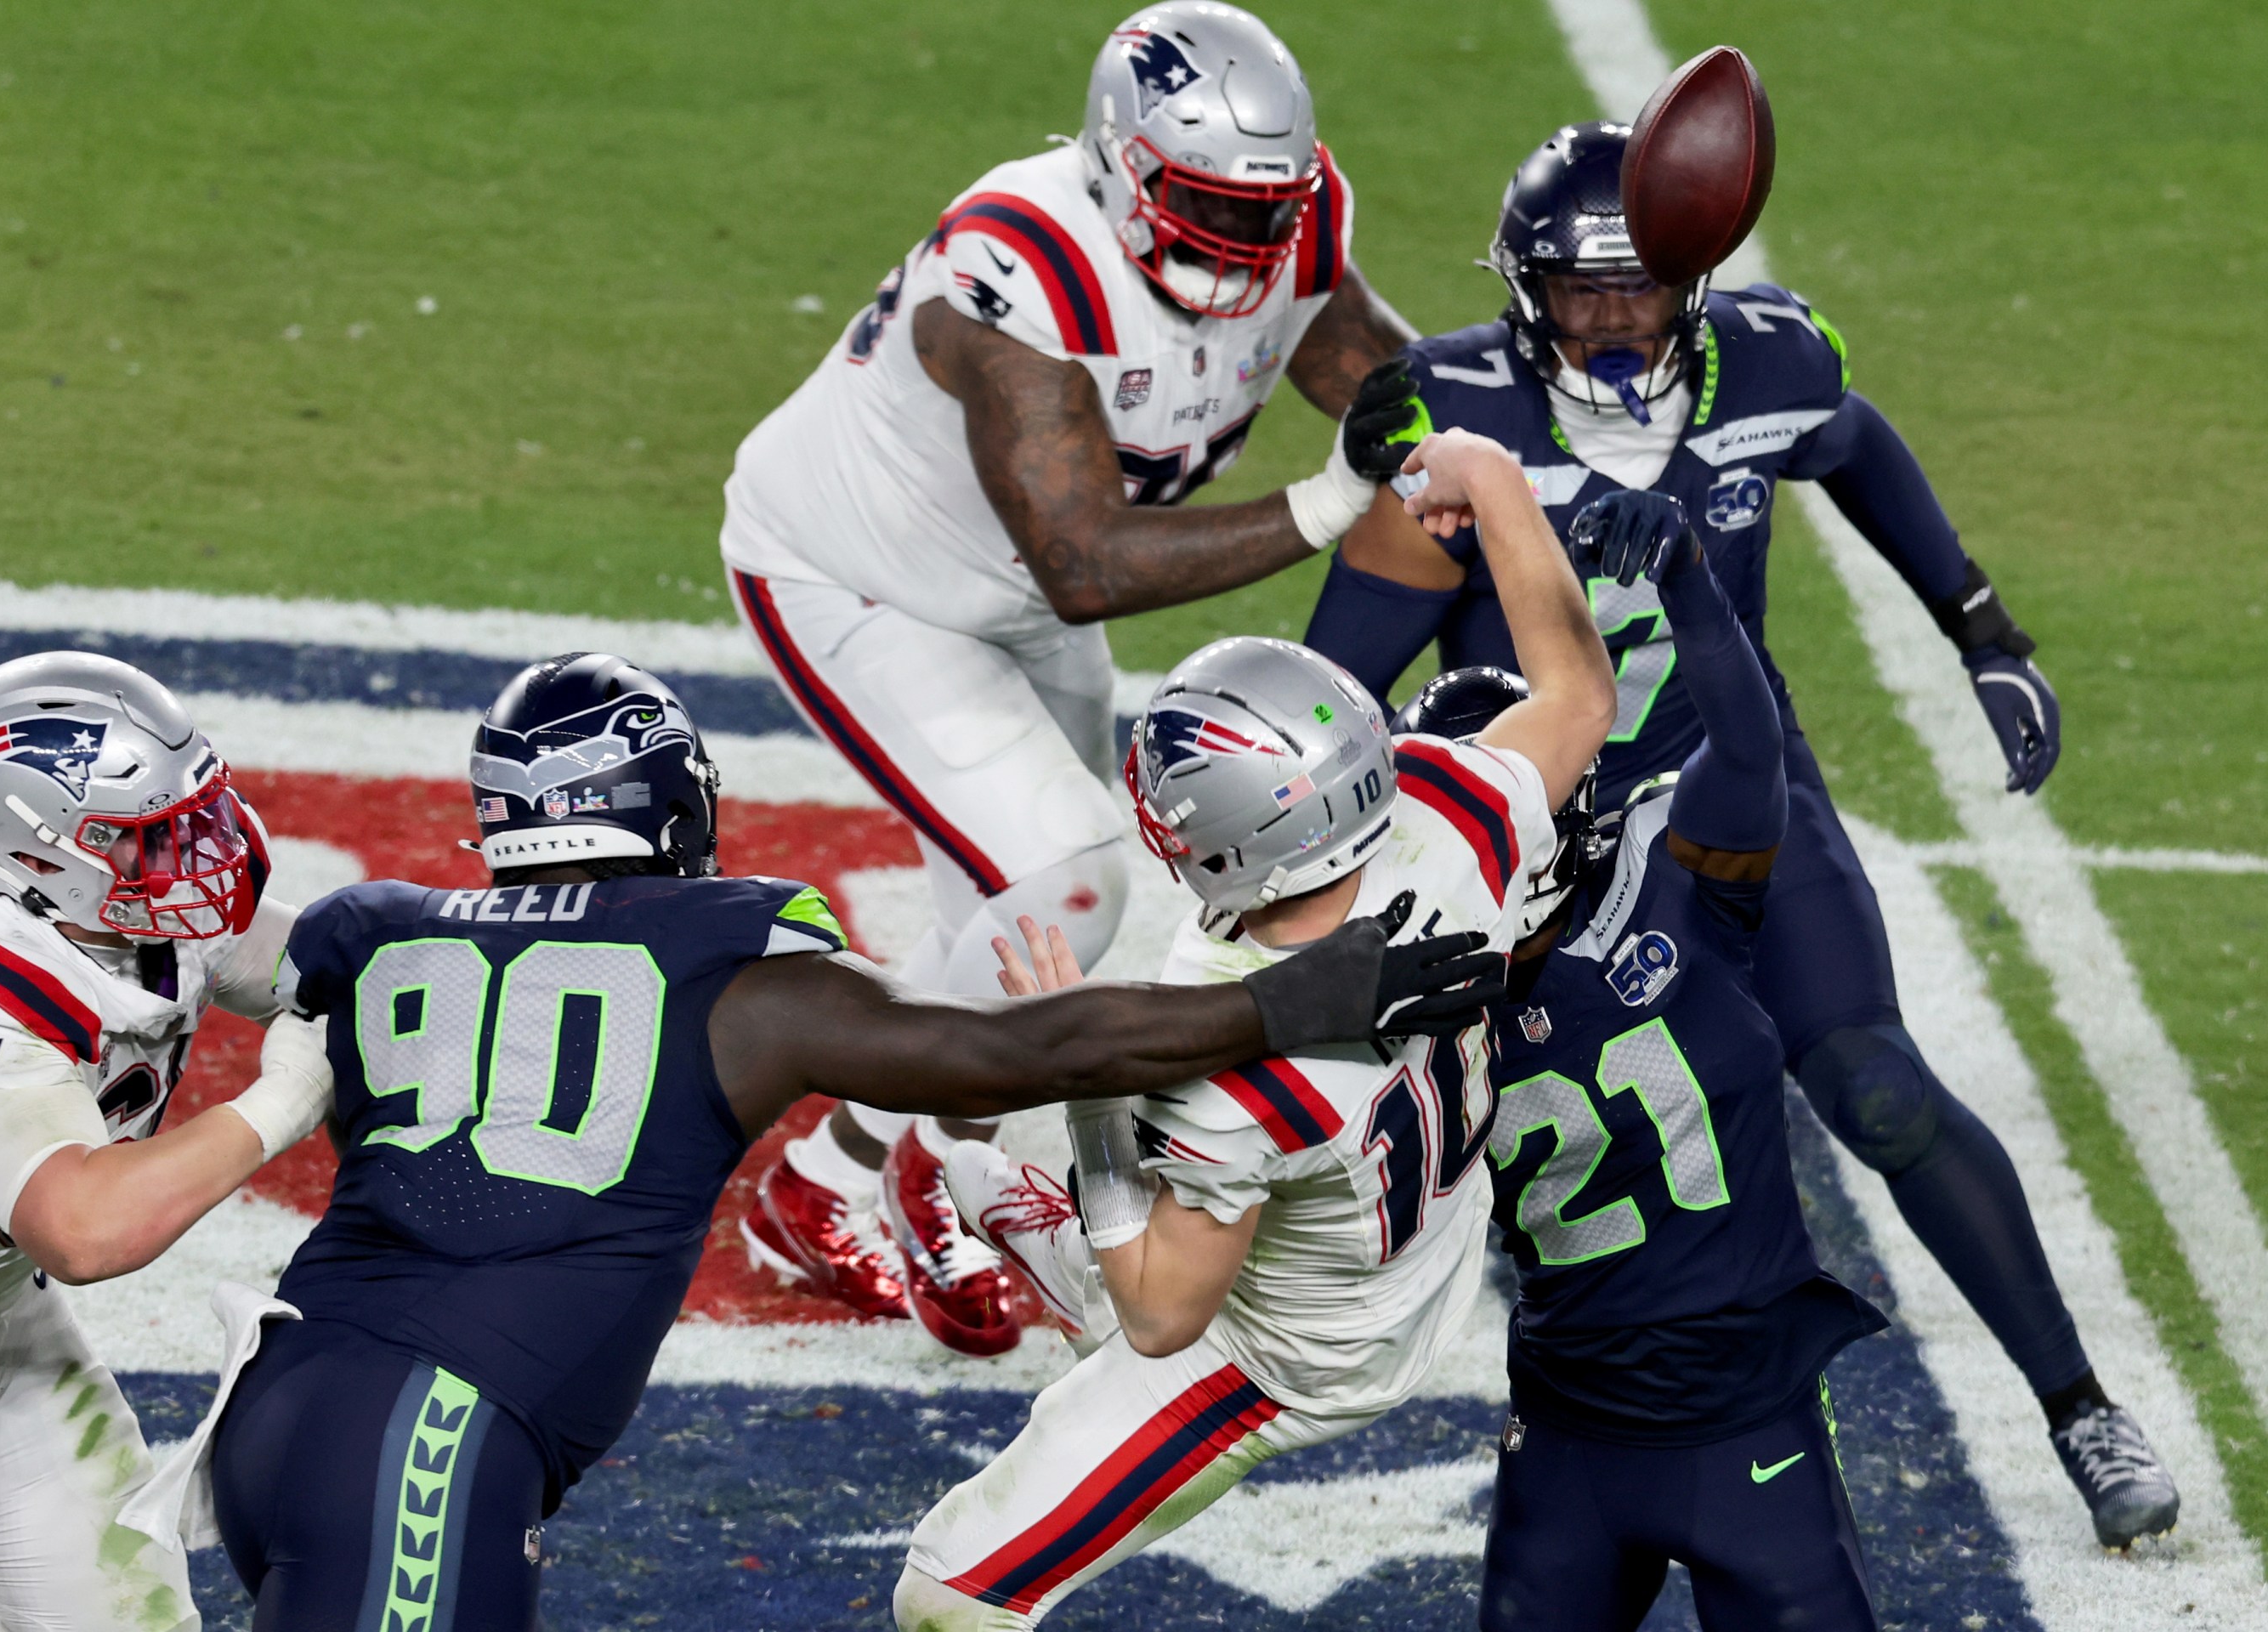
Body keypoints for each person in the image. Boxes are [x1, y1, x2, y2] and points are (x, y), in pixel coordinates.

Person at [179, 649, 1500, 1632]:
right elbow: (1011, 1057)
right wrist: (1292, 1000)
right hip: (432, 1436)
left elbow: (227, 950)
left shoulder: (384, 923)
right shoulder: (741, 969)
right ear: (675, 803)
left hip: (283, 1401)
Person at [1298, 122, 2178, 1547]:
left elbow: (1855, 441)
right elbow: (1341, 680)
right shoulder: (1445, 418)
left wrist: (1982, 630)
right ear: (1524, 289)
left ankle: (2081, 1406)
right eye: (1579, 290)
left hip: (1731, 792)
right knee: (1530, 1152)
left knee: (1879, 1092)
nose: (1610, 317)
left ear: (1690, 277)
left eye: (1638, 286)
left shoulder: (1770, 360)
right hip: (1543, 842)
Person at [719, 1, 1419, 1354]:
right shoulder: (1020, 266)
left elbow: (1381, 376)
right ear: (1119, 163)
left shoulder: (1297, 223)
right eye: (1201, 202)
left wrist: (1486, 429)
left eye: (1255, 210)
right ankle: (940, 1149)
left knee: (1015, 901)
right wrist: (1333, 502)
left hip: (1007, 592)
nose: (1236, 242)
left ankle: (829, 1178)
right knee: (1077, 883)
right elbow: (1084, 563)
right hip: (860, 579)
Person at [891, 426, 1616, 1629]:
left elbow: (1166, 1316)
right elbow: (1579, 690)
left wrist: (1094, 1080)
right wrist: (1493, 481)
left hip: (1286, 1354)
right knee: (1040, 1154)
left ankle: (1021, 1212)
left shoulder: (1230, 1078)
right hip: (1423, 1244)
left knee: (952, 1592)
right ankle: (1013, 1197)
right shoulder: (1463, 810)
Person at [1415, 490, 1885, 1629]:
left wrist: (1689, 579)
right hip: (1587, 1423)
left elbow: (1745, 742)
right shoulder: (1422, 992)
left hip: (1686, 1426)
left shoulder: (1421, 994)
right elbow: (1746, 740)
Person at [0, 652, 333, 1632]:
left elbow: (321, 959)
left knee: (128, 1616)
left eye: (197, 812)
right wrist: (284, 1100)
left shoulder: (105, 899)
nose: (198, 850)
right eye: (151, 836)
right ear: (40, 850)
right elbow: (83, 1231)